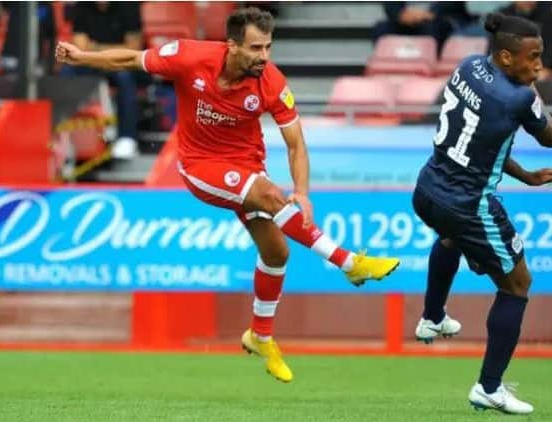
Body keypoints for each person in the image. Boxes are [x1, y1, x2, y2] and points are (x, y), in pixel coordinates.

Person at [55, 7, 400, 383]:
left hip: (247, 168)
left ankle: (260, 335)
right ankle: (348, 263)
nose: (264, 56)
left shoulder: (271, 82)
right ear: (232, 45)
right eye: (255, 48)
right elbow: (131, 58)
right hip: (200, 166)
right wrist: (83, 56)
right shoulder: (189, 56)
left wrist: (303, 192)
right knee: (269, 196)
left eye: (268, 47)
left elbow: (296, 144)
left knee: (276, 251)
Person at [412, 12, 552, 414]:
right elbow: (547, 136)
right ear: (507, 57)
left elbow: (481, 141)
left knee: (450, 237)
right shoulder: (519, 97)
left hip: (426, 190)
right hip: (468, 204)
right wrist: (536, 94)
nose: (538, 65)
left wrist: (523, 175)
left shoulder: (469, 66)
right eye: (533, 57)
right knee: (518, 284)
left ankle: (432, 316)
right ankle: (489, 387)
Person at [64, 2, 142, 159]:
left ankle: (127, 138)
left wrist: (97, 48)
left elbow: (133, 48)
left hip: (120, 63)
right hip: (91, 63)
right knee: (67, 72)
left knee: (125, 78)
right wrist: (111, 49)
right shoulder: (81, 7)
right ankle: (63, 135)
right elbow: (80, 47)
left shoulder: (129, 7)